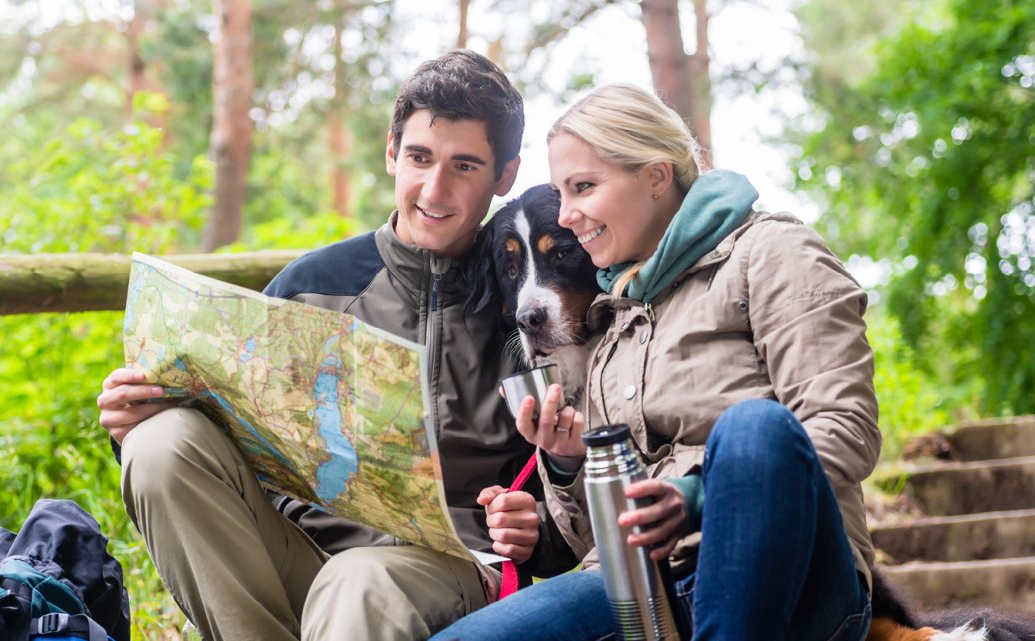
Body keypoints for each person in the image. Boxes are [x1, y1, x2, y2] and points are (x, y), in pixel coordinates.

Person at [96, 50, 576, 641]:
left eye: (465, 166)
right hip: (295, 554)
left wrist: (533, 534)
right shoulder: (309, 286)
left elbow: (564, 496)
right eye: (420, 157)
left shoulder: (525, 304)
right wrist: (136, 417)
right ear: (391, 152)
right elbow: (216, 445)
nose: (435, 187)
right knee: (160, 444)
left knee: (359, 582)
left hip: (444, 569)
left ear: (504, 175)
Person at [431, 82, 880, 641]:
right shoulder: (605, 317)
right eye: (563, 194)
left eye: (583, 188)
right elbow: (587, 538)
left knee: (753, 427)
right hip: (637, 583)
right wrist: (570, 462)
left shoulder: (770, 253)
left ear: (656, 176)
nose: (567, 215)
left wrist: (695, 497)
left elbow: (846, 429)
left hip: (789, 572)